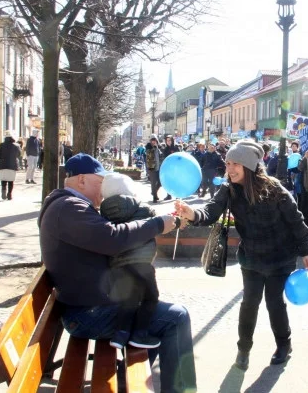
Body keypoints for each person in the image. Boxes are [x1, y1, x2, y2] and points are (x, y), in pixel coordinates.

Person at [38, 153, 196, 392]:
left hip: (88, 304)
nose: (103, 189)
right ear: (82, 180)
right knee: (176, 318)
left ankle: (128, 379)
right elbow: (113, 238)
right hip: (89, 313)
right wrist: (156, 225)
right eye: (100, 181)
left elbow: (113, 232)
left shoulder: (68, 205)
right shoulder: (69, 208)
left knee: (150, 316)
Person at [175, 140, 308, 371]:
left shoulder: (275, 190)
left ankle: (284, 344)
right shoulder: (228, 189)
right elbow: (210, 211)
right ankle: (243, 349)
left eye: (235, 164)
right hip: (251, 258)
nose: (229, 168)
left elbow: (296, 221)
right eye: (228, 163)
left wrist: (307, 251)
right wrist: (192, 213)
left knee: (274, 304)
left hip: (280, 258)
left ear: (249, 165)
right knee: (249, 303)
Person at [99, 172, 161, 350]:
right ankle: (140, 334)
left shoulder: (103, 213)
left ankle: (120, 335)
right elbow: (156, 223)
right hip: (142, 264)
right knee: (151, 298)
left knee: (129, 300)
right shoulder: (143, 208)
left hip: (118, 264)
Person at [0, 131, 22, 200]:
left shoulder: (1, 145)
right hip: (12, 165)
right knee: (11, 181)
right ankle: (9, 194)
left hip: (3, 165)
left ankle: (3, 192)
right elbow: (19, 155)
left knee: (3, 180)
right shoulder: (16, 146)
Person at [145, 135, 162, 202]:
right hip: (152, 168)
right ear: (150, 141)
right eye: (152, 140)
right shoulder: (148, 147)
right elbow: (149, 155)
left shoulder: (158, 147)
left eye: (155, 140)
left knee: (160, 182)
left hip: (159, 167)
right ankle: (155, 197)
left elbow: (160, 155)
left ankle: (154, 192)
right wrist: (154, 148)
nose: (153, 141)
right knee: (153, 183)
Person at [162, 135, 179, 200]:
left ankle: (177, 195)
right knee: (168, 181)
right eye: (167, 141)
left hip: (175, 167)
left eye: (169, 140)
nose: (168, 142)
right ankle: (169, 195)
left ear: (172, 141)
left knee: (176, 181)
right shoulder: (166, 149)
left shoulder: (175, 147)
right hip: (168, 167)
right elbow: (164, 158)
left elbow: (179, 156)